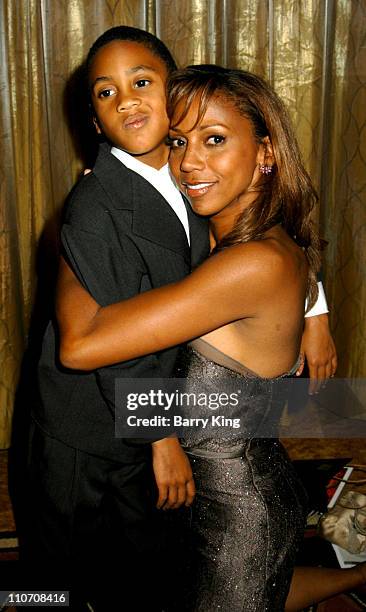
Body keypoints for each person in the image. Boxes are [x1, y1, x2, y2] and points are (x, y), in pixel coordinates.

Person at [56, 65, 356, 611]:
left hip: (241, 512)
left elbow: (80, 346)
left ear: (266, 152)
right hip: (233, 491)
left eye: (214, 140)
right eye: (178, 141)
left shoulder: (248, 264)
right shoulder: (236, 234)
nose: (190, 161)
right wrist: (318, 310)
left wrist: (78, 228)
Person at [25, 27, 207, 612]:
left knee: (138, 567)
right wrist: (162, 436)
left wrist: (315, 310)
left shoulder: (192, 173)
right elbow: (110, 342)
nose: (126, 99)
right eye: (106, 93)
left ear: (175, 89)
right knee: (59, 578)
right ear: (95, 122)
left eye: (142, 81)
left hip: (147, 406)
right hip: (87, 431)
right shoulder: (96, 204)